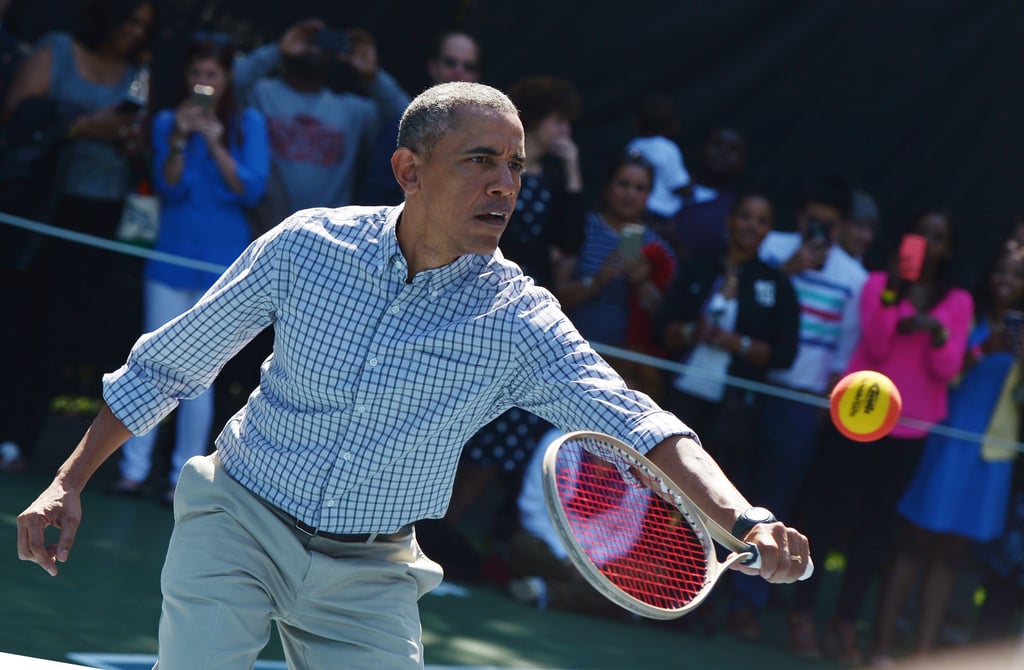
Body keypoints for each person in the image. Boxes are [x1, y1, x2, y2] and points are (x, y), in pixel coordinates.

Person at [17, 82, 810, 670]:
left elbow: (639, 423)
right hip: (239, 520)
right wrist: (69, 478)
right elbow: (171, 363)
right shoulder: (306, 246)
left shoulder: (519, 319)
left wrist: (743, 521)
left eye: (516, 167)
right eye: (480, 161)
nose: (505, 184)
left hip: (372, 571)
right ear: (409, 169)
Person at [790, 209, 973, 664]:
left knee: (876, 529)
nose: (928, 242)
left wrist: (933, 332)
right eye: (921, 233)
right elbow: (875, 342)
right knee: (830, 514)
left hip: (910, 431)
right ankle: (801, 614)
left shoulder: (957, 301)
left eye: (938, 237)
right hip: (858, 420)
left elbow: (947, 367)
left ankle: (846, 622)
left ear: (948, 248)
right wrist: (895, 288)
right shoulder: (878, 284)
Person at [108, 36, 270, 503]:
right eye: (197, 73)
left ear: (227, 80)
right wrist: (178, 138)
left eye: (213, 75)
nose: (204, 83)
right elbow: (168, 186)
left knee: (201, 375)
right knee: (149, 365)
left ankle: (184, 475)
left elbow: (250, 189)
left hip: (223, 266)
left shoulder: (247, 123)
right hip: (169, 256)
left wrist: (217, 143)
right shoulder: (166, 122)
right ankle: (133, 470)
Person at [0, 0, 156, 469]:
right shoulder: (57, 51)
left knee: (58, 328)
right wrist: (84, 127)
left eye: (143, 26)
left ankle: (19, 441)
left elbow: (143, 137)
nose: (133, 31)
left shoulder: (138, 72)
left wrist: (129, 141)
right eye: (129, 19)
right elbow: (18, 117)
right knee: (14, 318)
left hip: (98, 214)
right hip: (39, 205)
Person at [441, 75, 588, 553]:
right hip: (473, 302)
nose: (564, 130)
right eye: (557, 120)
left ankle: (441, 536)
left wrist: (571, 174)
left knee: (502, 434)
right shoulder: (495, 173)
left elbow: (569, 241)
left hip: (518, 317)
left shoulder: (552, 179)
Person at [869, 240, 1023, 662]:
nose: (1005, 281)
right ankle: (880, 648)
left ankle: (922, 656)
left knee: (952, 556)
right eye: (1001, 271)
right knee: (914, 544)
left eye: (1016, 275)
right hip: (947, 437)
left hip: (993, 454)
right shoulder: (963, 309)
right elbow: (942, 370)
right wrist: (981, 351)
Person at [232, 18, 409, 231]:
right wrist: (278, 50)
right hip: (263, 226)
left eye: (322, 44)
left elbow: (410, 119)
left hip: (326, 237)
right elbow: (228, 81)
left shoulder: (353, 110)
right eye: (308, 42)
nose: (314, 49)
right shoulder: (261, 93)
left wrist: (372, 75)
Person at [551, 152, 675, 398]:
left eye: (640, 188)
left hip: (625, 371)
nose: (630, 194)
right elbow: (554, 294)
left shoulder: (659, 250)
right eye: (623, 184)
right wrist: (596, 282)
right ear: (607, 187)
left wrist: (642, 282)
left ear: (649, 195)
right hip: (569, 354)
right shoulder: (582, 230)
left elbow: (665, 323)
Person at [358, 29, 481, 206]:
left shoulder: (484, 138)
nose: (458, 72)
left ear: (476, 77)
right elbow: (373, 201)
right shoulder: (400, 130)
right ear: (433, 67)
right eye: (450, 62)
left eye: (468, 66)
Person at [661, 126, 747, 261]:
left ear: (742, 162)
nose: (723, 152)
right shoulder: (665, 182)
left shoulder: (738, 211)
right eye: (717, 144)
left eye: (732, 149)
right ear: (702, 148)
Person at [625, 95, 690, 225]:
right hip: (662, 217)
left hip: (635, 208)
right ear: (671, 125)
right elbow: (680, 187)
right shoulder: (668, 149)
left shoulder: (632, 146)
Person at [835, 188, 880, 266]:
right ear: (841, 224)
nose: (867, 237)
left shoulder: (862, 275)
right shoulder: (814, 264)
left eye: (871, 228)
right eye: (859, 226)